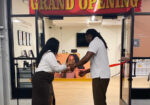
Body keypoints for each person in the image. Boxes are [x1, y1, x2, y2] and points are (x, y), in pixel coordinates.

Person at [70, 29, 110, 105]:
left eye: (86, 37)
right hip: (102, 76)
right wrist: (85, 71)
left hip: (100, 77)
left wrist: (75, 65)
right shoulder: (99, 41)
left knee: (99, 101)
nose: (86, 40)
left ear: (90, 36)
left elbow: (86, 57)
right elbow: (97, 64)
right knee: (101, 99)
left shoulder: (94, 42)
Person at [32, 38, 70, 105]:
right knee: (45, 101)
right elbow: (57, 68)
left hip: (42, 79)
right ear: (54, 46)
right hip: (42, 80)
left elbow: (55, 68)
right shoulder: (50, 54)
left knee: (46, 99)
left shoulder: (47, 54)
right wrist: (66, 64)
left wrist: (65, 68)